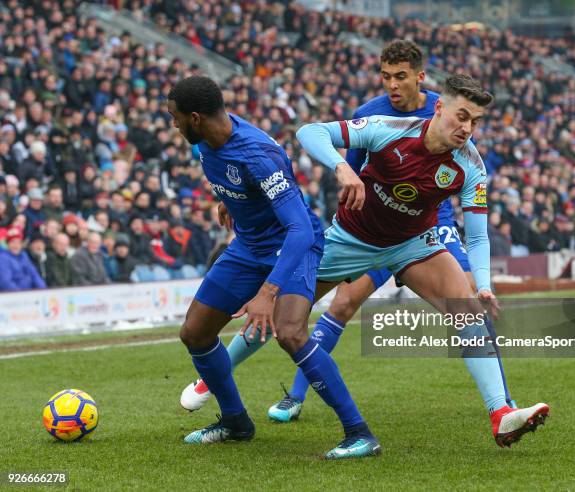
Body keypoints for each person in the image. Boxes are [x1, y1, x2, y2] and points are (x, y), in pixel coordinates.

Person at [190, 74, 550, 448]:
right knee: (282, 312)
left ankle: (500, 414)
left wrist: (485, 283)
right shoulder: (388, 129)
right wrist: (342, 167)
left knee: (467, 312)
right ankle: (212, 378)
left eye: (475, 121)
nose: (467, 128)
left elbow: (477, 235)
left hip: (413, 245)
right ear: (439, 107)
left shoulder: (471, 166)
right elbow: (309, 131)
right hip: (350, 240)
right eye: (461, 116)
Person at [167, 75, 380, 459]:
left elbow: (298, 227)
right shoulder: (206, 142)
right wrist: (233, 201)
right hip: (250, 244)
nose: (174, 124)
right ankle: (235, 421)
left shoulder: (255, 155)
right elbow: (238, 182)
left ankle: (359, 433)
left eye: (175, 117)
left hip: (293, 244)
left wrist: (267, 292)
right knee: (195, 332)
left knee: (290, 332)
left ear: (195, 117)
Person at [0, 226, 47, 291]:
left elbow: (34, 274)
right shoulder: (3, 258)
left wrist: (44, 289)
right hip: (14, 296)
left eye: (18, 243)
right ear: (8, 244)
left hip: (28, 293)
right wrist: (20, 294)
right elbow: (5, 282)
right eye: (13, 242)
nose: (16, 245)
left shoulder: (24, 256)